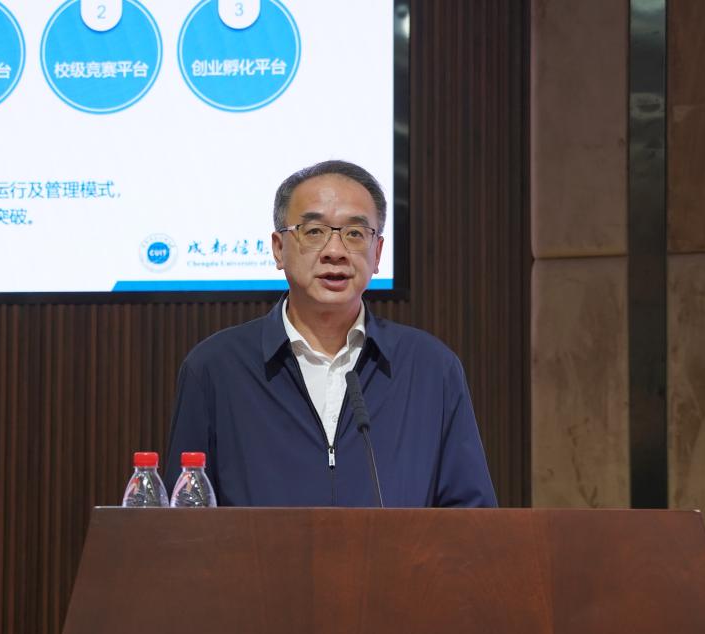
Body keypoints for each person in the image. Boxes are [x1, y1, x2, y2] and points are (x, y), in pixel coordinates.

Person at [164, 160, 497, 507]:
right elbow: (183, 517)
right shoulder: (216, 368)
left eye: (355, 234)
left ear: (377, 253)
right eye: (314, 232)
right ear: (278, 248)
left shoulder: (430, 368)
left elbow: (471, 516)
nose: (335, 252)